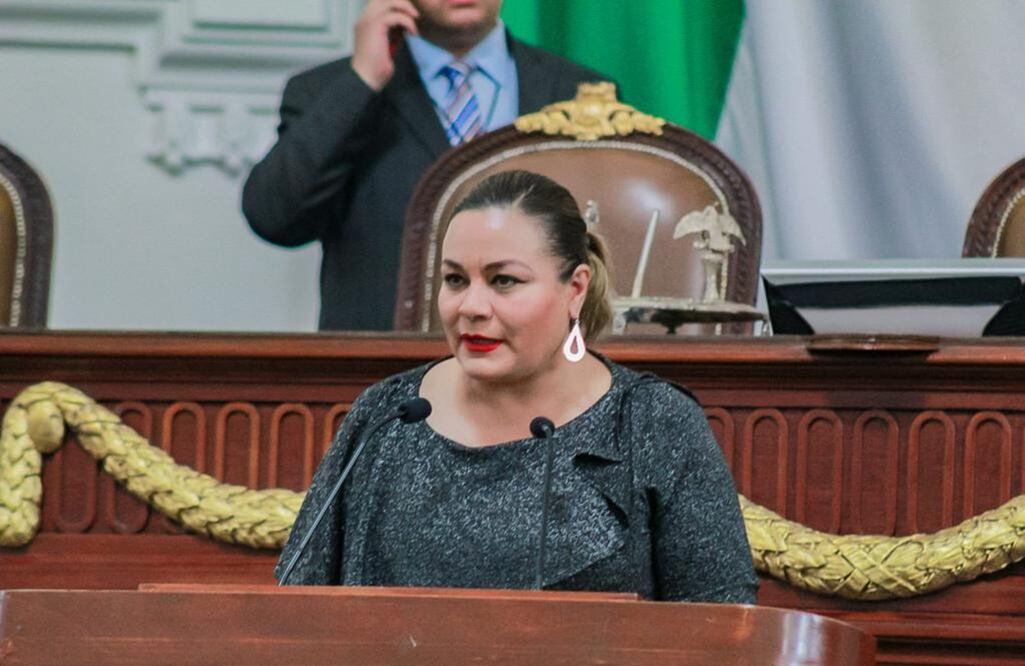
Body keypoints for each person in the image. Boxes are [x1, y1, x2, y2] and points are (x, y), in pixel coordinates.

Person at [276, 170, 758, 603]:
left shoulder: (653, 422)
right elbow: (293, 613)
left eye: (503, 280)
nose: (472, 306)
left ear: (576, 288)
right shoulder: (388, 414)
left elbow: (724, 628)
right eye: (455, 279)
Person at [242, 0, 611, 331]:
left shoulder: (582, 92)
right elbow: (275, 217)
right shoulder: (330, 90)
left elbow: (607, 244)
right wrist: (363, 82)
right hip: (383, 373)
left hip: (542, 375)